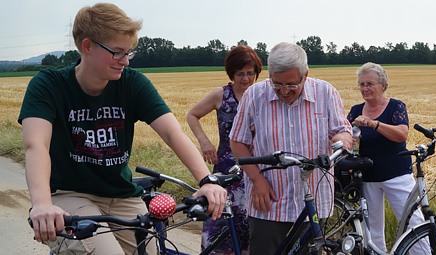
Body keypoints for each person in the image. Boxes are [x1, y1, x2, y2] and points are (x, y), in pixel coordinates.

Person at [19, 3, 226, 255]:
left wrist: (207, 180)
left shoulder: (133, 83)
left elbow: (173, 133)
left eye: (129, 52)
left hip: (124, 195)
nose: (126, 61)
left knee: (150, 251)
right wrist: (41, 204)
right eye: (117, 52)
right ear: (88, 46)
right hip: (70, 194)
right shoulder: (48, 85)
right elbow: (36, 144)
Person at [229, 42, 352, 255]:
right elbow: (238, 142)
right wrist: (257, 180)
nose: (284, 91)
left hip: (314, 201)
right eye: (277, 84)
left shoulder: (326, 93)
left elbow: (343, 130)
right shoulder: (254, 96)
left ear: (305, 75)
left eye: (292, 85)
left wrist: (341, 139)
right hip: (269, 203)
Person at [186, 45, 262, 254]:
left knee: (253, 225)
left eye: (250, 73)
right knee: (219, 220)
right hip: (227, 170)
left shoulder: (262, 94)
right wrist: (204, 142)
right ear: (231, 73)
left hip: (257, 168)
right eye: (240, 74)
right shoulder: (221, 95)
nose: (246, 79)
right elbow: (192, 115)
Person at [346, 62, 427, 253]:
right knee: (372, 231)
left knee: (413, 222)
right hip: (367, 177)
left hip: (396, 174)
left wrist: (374, 124)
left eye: (369, 84)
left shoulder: (395, 106)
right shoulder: (355, 110)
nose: (365, 88)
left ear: (383, 85)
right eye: (362, 84)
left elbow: (401, 134)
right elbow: (347, 138)